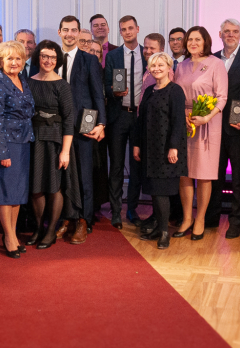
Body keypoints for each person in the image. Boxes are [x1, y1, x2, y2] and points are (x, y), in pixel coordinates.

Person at [203, 18, 240, 239]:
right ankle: (211, 217)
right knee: (214, 176)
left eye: (234, 31)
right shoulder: (211, 58)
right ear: (220, 34)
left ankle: (237, 220)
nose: (230, 35)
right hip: (213, 127)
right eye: (226, 31)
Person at [173, 26, 228, 240]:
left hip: (207, 123)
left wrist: (206, 117)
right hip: (184, 123)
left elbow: (222, 98)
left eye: (197, 39)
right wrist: (183, 117)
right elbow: (176, 95)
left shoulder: (216, 64)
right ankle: (187, 218)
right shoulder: (182, 65)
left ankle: (201, 219)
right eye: (190, 39)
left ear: (206, 41)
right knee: (184, 173)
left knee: (204, 174)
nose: (193, 43)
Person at [27, 40, 81, 249]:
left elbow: (69, 120)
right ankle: (38, 228)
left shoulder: (62, 85)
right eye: (44, 56)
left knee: (53, 186)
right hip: (33, 139)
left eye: (52, 57)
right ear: (38, 57)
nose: (48, 60)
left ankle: (50, 231)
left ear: (57, 60)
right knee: (35, 187)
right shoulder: (28, 81)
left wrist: (65, 151)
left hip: (55, 140)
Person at [0, 41, 35, 258]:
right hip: (5, 144)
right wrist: (2, 151)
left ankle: (13, 234)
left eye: (18, 58)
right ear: (0, 61)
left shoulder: (22, 79)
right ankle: (8, 237)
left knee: (16, 193)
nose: (14, 62)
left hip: (23, 142)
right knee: (5, 193)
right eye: (9, 58)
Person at [133, 53, 187, 250]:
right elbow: (141, 120)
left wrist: (174, 147)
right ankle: (157, 228)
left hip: (166, 149)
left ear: (169, 67)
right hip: (150, 149)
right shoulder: (149, 90)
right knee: (155, 192)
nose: (156, 69)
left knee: (162, 192)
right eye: (153, 65)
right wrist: (137, 144)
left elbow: (178, 122)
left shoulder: (175, 91)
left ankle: (165, 233)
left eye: (160, 65)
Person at [58, 17, 106, 239]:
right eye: (65, 30)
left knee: (84, 175)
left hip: (83, 126)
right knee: (62, 176)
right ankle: (66, 218)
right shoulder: (50, 58)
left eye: (73, 30)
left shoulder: (89, 60)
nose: (69, 34)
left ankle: (84, 220)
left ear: (78, 33)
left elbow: (98, 94)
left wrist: (101, 123)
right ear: (59, 32)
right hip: (57, 127)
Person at [104, 15, 146, 228]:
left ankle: (132, 209)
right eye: (123, 29)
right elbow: (105, 85)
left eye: (130, 28)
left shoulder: (147, 54)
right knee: (117, 166)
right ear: (120, 32)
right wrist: (114, 92)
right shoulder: (113, 56)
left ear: (137, 29)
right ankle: (115, 210)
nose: (127, 32)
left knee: (136, 165)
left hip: (139, 117)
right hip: (118, 115)